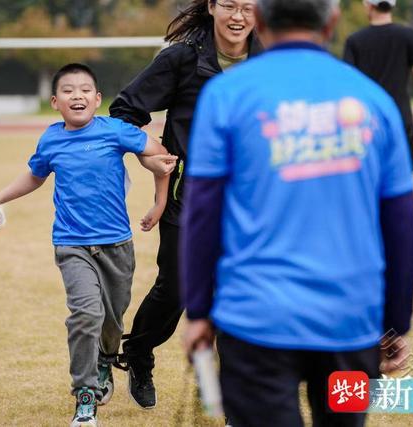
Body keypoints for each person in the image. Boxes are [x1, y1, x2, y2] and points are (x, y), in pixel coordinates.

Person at [180, 0, 413, 425]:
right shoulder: (372, 100)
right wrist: (395, 320)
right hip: (351, 326)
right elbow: (400, 222)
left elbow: (202, 214)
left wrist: (199, 310)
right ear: (331, 22)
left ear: (261, 21)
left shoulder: (227, 95)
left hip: (255, 324)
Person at [0, 63, 174, 427]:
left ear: (98, 99)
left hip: (117, 245)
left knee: (112, 323)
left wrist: (159, 200)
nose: (76, 95)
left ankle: (106, 359)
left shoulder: (115, 130)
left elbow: (159, 156)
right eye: (68, 90)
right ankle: (85, 395)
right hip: (72, 245)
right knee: (86, 315)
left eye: (85, 90)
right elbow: (34, 176)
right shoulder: (51, 139)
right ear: (54, 101)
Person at [108, 0, 261, 409]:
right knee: (176, 288)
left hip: (252, 203)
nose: (238, 16)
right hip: (188, 197)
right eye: (229, 4)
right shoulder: (182, 59)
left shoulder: (273, 59)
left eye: (248, 6)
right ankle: (138, 352)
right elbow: (125, 110)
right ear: (211, 7)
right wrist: (148, 151)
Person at [343, 0, 413, 245]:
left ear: (369, 6)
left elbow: (348, 82)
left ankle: (367, 229)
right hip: (399, 116)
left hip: (365, 119)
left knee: (366, 173)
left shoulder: (355, 40)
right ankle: (409, 229)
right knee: (403, 173)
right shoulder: (408, 35)